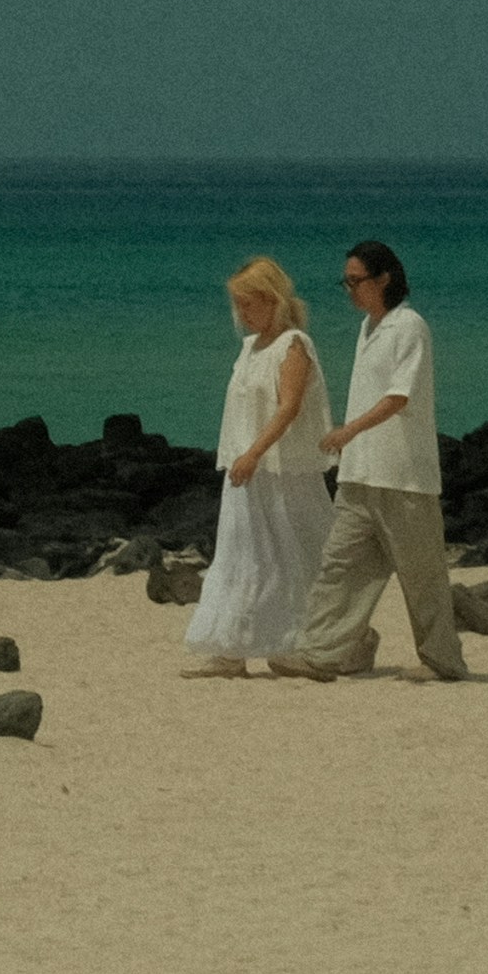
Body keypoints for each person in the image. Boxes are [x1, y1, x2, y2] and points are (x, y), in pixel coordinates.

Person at [283, 236, 465, 683]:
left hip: (404, 476)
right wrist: (351, 443)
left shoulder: (409, 327)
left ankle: (444, 661)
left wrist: (349, 430)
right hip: (360, 475)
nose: (349, 290)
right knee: (339, 567)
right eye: (344, 282)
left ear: (384, 278)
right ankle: (319, 654)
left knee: (421, 576)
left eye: (356, 281)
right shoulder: (369, 328)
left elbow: (399, 397)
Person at [184, 257, 335, 675]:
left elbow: (289, 407)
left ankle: (292, 645)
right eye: (239, 306)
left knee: (291, 555)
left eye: (249, 304)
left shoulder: (294, 345)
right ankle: (231, 651)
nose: (242, 314)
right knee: (241, 557)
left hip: (281, 471)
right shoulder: (250, 348)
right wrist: (242, 455)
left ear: (272, 301)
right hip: (245, 470)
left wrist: (254, 452)